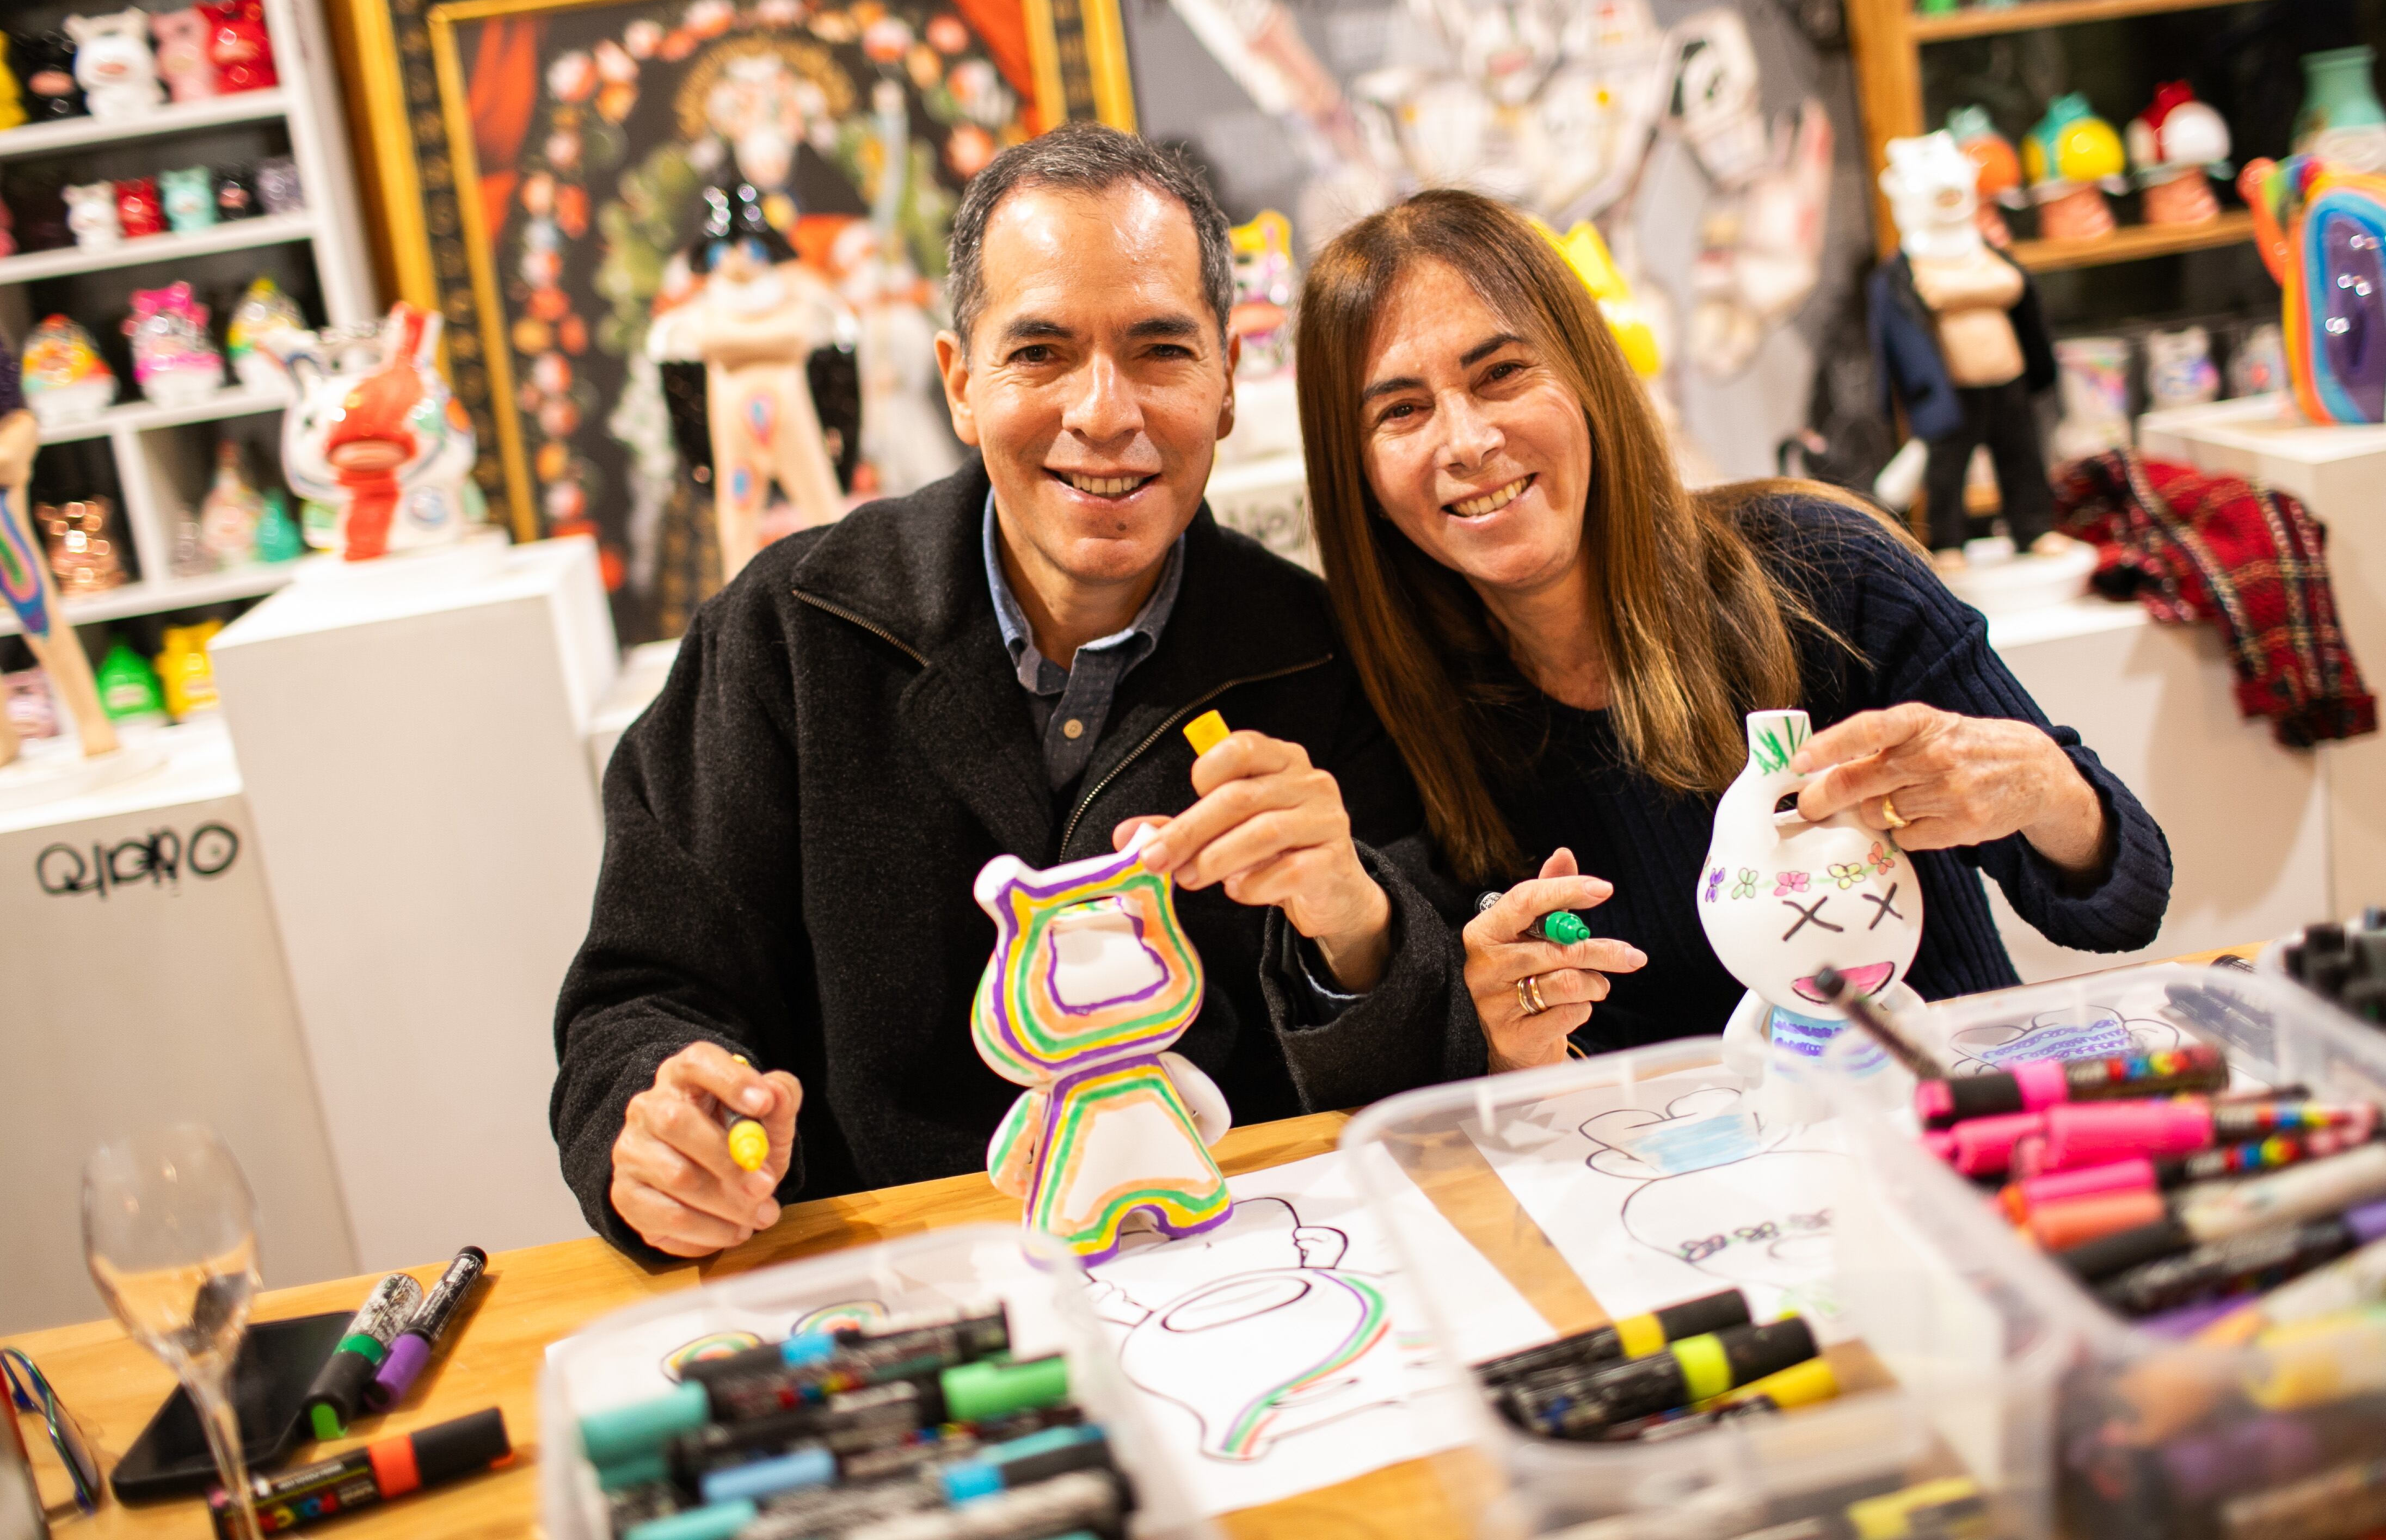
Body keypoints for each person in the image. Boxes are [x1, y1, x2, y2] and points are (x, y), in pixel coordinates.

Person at [554, 126, 1480, 1260]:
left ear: (1229, 381)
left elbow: (1436, 1073)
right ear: (960, 382)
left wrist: (1357, 925)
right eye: (1041, 352)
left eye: (1161, 351)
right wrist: (658, 1130)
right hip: (899, 1283)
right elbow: (641, 994)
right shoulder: (788, 633)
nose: (1104, 413)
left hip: (1244, 1268)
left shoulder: (1322, 656)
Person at [1293, 189, 2173, 1070]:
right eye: (1400, 411)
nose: (1467, 441)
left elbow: (2123, 902)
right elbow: (1496, 1076)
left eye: (1502, 373)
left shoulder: (1826, 572)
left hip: (1947, 1109)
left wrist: (2039, 786)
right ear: (1355, 470)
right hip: (1660, 1147)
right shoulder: (1388, 710)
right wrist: (1502, 1038)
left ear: (1588, 374)